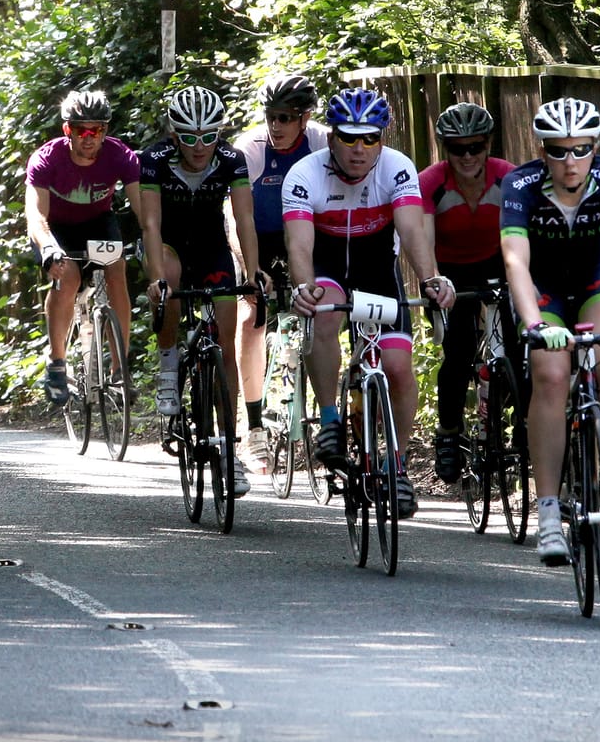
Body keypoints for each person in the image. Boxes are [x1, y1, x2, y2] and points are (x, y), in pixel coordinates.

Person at [282, 87, 456, 519]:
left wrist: (432, 278)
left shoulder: (397, 169)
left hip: (378, 271)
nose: (359, 149)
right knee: (323, 316)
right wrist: (303, 288)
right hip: (327, 270)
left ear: (383, 138)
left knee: (397, 367)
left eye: (370, 138)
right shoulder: (304, 174)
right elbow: (299, 246)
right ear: (333, 137)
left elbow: (413, 233)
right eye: (348, 137)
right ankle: (328, 421)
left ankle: (396, 467)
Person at [500, 96, 600, 565]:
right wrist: (533, 325)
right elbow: (515, 261)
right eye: (560, 150)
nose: (571, 161)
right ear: (542, 150)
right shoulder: (519, 184)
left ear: (595, 147)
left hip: (595, 279)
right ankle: (548, 512)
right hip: (543, 288)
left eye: (582, 149)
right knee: (548, 375)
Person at [140, 86, 264, 493]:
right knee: (170, 280)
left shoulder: (232, 159)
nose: (199, 146)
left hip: (210, 248)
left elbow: (245, 219)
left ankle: (230, 450)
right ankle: (169, 362)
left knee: (227, 343)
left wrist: (254, 270)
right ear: (174, 135)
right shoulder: (155, 160)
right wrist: (156, 279)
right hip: (168, 244)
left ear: (220, 134)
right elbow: (151, 225)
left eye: (209, 136)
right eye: (189, 137)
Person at [417, 102, 518, 486]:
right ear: (446, 149)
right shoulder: (432, 182)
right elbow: (422, 239)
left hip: (497, 264)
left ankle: (518, 425)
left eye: (475, 146)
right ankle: (448, 433)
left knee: (519, 344)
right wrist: (433, 279)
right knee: (457, 352)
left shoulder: (506, 178)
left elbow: (522, 236)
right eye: (458, 148)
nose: (468, 156)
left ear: (487, 144)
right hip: (449, 273)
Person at [25, 89, 144, 405]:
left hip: (97, 222)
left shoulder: (119, 155)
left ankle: (120, 371)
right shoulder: (47, 159)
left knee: (116, 266)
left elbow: (144, 208)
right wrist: (50, 249)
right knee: (69, 277)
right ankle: (57, 363)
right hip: (57, 229)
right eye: (82, 130)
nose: (90, 137)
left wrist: (152, 236)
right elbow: (36, 215)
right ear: (68, 131)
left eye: (97, 129)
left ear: (105, 130)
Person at [233, 73, 326, 473]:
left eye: (286, 117)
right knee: (252, 316)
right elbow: (235, 214)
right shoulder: (251, 147)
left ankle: (330, 423)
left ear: (304, 118)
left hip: (307, 232)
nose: (276, 126)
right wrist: (249, 266)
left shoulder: (322, 141)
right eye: (271, 116)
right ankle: (252, 428)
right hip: (259, 234)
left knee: (323, 311)